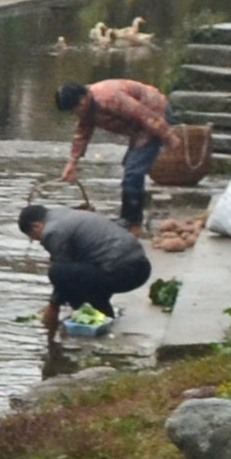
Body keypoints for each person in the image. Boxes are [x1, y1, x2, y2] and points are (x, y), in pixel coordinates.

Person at [21, 196, 150, 338]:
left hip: (126, 271)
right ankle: (101, 314)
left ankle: (96, 316)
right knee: (76, 275)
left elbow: (62, 273)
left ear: (36, 226)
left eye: (34, 237)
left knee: (57, 272)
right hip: (139, 265)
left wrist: (53, 307)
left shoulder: (53, 231)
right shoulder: (64, 214)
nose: (38, 241)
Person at [53, 73, 177, 218]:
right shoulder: (87, 108)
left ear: (82, 100)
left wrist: (169, 136)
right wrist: (72, 162)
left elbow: (144, 115)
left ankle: (132, 221)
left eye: (74, 110)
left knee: (133, 172)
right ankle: (130, 216)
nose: (74, 114)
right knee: (130, 168)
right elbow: (82, 132)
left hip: (155, 114)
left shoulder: (109, 97)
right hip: (139, 128)